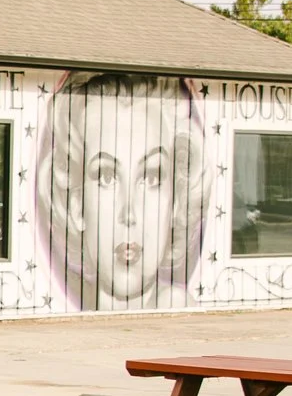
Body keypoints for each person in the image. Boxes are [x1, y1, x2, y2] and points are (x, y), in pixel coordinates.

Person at [35, 72, 210, 310]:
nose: (129, 214)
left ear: (176, 200)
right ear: (76, 204)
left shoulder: (179, 307)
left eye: (151, 177)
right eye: (107, 177)